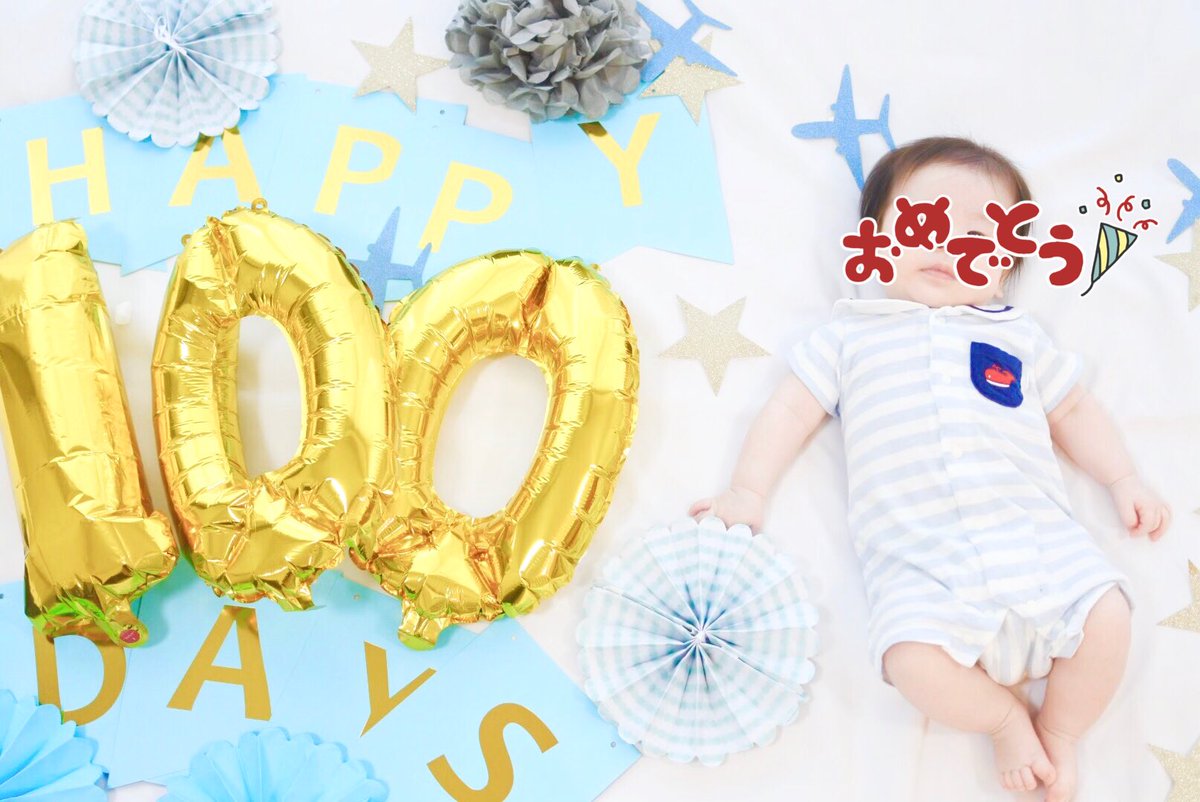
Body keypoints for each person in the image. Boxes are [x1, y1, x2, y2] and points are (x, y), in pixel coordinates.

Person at [690, 137, 1172, 801]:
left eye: (977, 237)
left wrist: (1122, 479)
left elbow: (1074, 410)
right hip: (921, 564)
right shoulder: (848, 336)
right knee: (908, 661)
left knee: (1109, 616)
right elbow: (789, 410)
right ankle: (1004, 720)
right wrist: (747, 491)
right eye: (923, 225)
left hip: (1036, 541)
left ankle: (1059, 732)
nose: (946, 247)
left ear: (1005, 265)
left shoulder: (1016, 335)